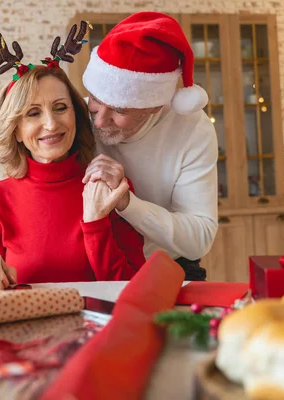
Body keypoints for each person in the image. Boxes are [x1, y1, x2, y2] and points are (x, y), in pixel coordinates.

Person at [0, 25, 146, 288]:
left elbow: (136, 288)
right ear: (17, 131)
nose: (52, 124)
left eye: (60, 108)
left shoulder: (108, 187)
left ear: (76, 116)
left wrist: (95, 223)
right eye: (33, 113)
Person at [81, 11, 219, 281]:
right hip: (92, 262)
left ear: (155, 105)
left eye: (119, 109)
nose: (98, 121)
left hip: (165, 267)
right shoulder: (76, 115)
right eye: (95, 99)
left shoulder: (192, 129)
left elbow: (199, 238)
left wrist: (127, 203)